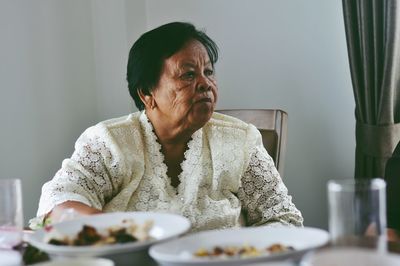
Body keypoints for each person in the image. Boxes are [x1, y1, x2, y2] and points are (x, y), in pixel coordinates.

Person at [30, 22, 303, 231]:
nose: (205, 83)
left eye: (208, 72)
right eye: (188, 74)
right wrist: (121, 232)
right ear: (147, 93)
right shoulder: (110, 143)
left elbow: (284, 219)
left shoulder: (240, 140)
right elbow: (58, 202)